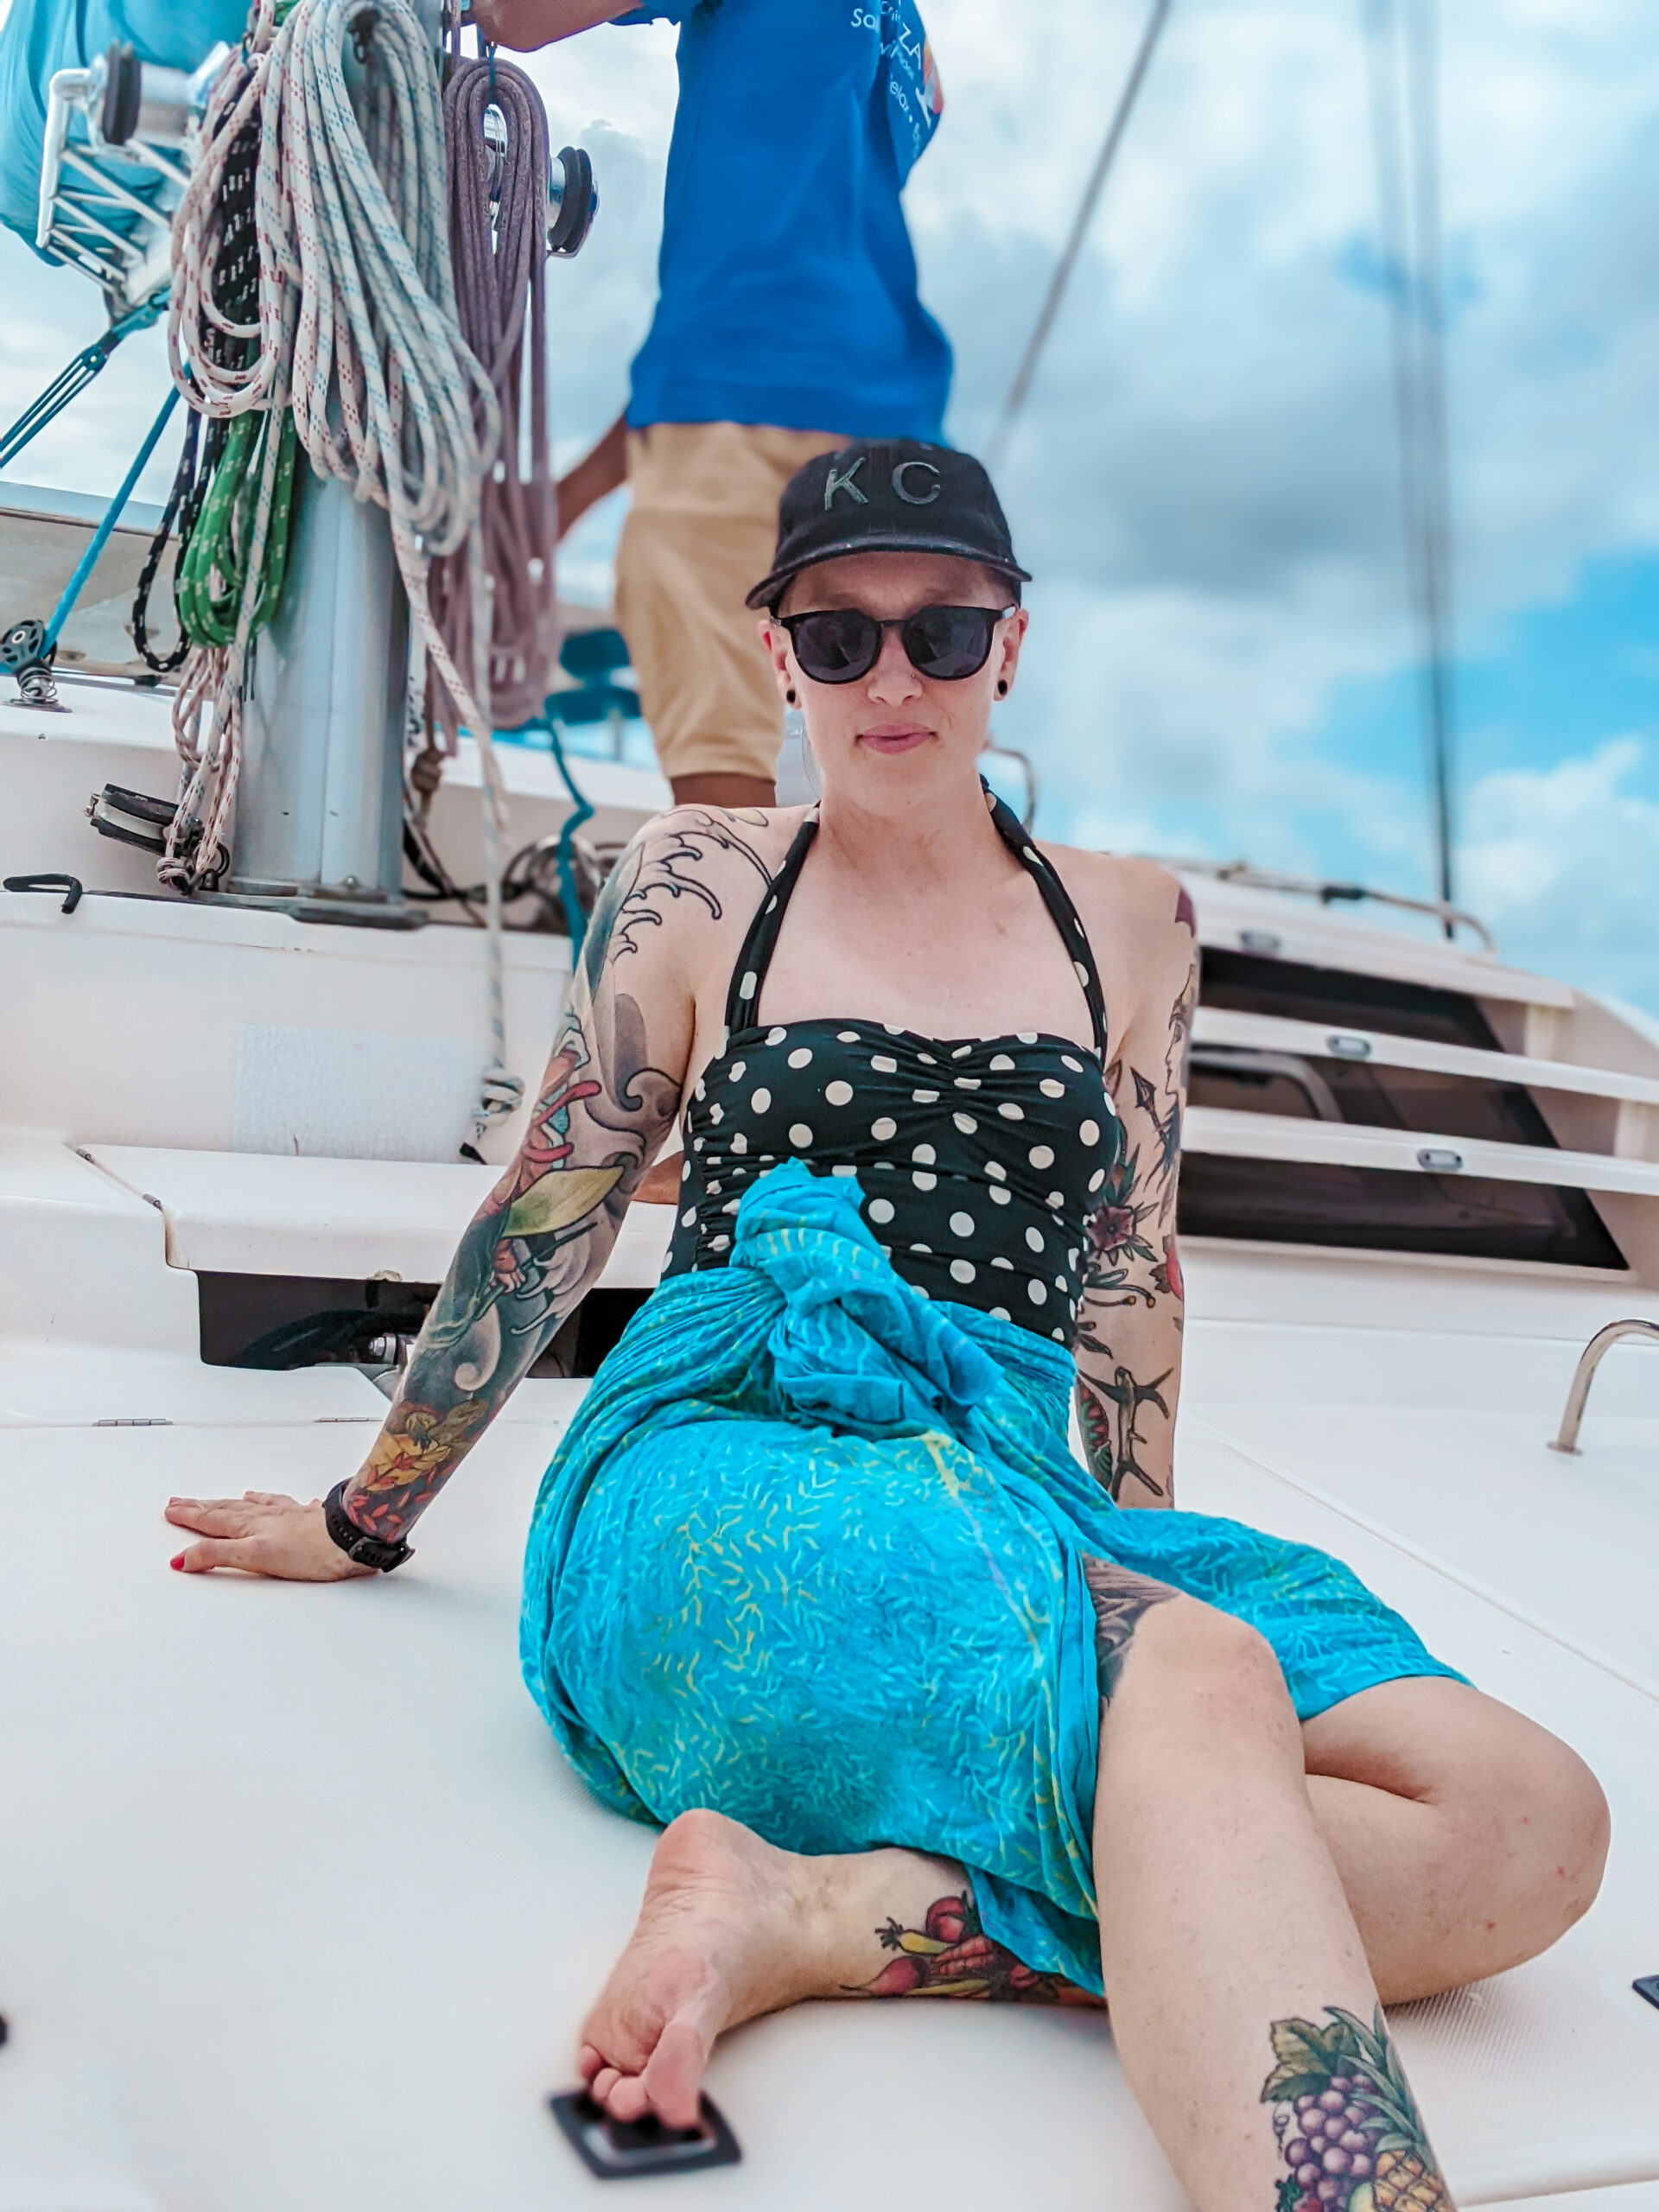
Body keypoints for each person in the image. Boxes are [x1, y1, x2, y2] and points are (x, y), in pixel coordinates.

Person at [165, 441, 1609, 2212]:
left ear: (1013, 645)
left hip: (1007, 1477)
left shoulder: (1132, 922)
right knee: (1192, 1683)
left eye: (945, 630)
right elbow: (551, 1210)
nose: (895, 678)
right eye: (840, 637)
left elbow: (1131, 1273)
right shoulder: (701, 880)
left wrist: (1128, 1547)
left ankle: (826, 1912)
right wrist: (364, 1514)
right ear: (779, 655)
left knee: (1525, 1818)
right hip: (730, 1455)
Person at [478, 0, 951, 810]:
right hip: (902, 441)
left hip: (738, 432)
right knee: (887, 789)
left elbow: (512, 16)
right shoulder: (909, 47)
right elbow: (773, 295)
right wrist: (565, 502)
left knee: (724, 797)